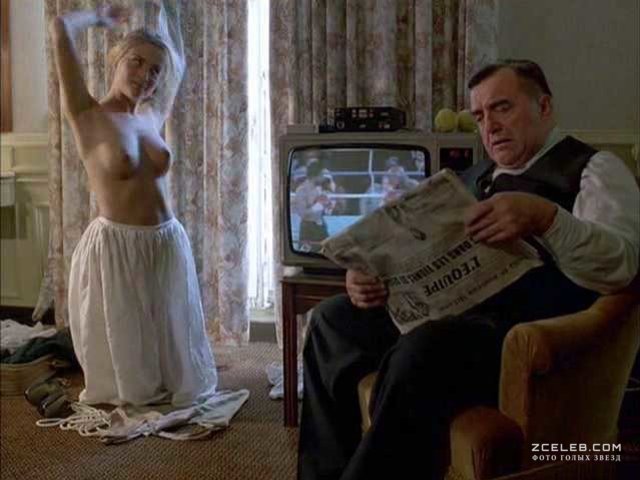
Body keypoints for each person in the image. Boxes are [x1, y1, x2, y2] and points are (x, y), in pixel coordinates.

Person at [297, 59, 639, 479]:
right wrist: (367, 278)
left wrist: (545, 218)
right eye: (479, 116)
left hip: (518, 337)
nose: (489, 126)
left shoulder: (595, 169)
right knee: (331, 321)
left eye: (502, 108)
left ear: (544, 107)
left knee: (422, 350)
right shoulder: (471, 177)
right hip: (446, 316)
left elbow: (623, 265)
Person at [50, 5, 218, 407]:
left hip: (167, 239)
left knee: (169, 333)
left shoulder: (151, 116)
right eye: (137, 62)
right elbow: (59, 27)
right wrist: (99, 17)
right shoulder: (86, 113)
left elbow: (178, 58)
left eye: (155, 70)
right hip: (117, 243)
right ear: (116, 60)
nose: (146, 75)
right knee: (128, 340)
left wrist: (169, 8)